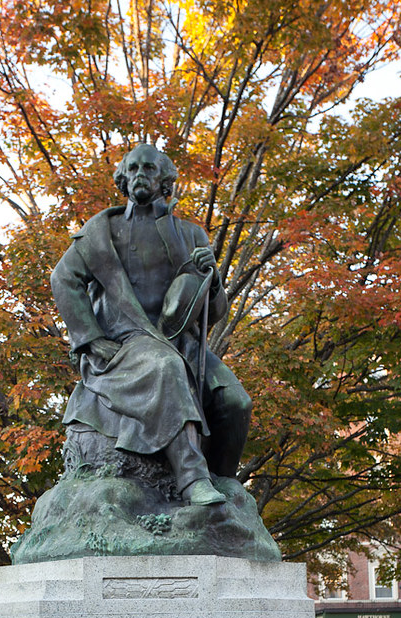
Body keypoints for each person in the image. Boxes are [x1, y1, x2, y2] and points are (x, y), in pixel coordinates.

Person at [51, 142, 252, 506]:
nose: (139, 175)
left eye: (148, 169)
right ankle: (193, 481)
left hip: (183, 341)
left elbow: (215, 310)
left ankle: (225, 486)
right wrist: (91, 340)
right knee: (166, 366)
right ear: (123, 180)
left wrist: (214, 278)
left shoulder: (190, 234)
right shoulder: (101, 231)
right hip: (128, 340)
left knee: (236, 401)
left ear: (165, 181)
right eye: (132, 169)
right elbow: (63, 280)